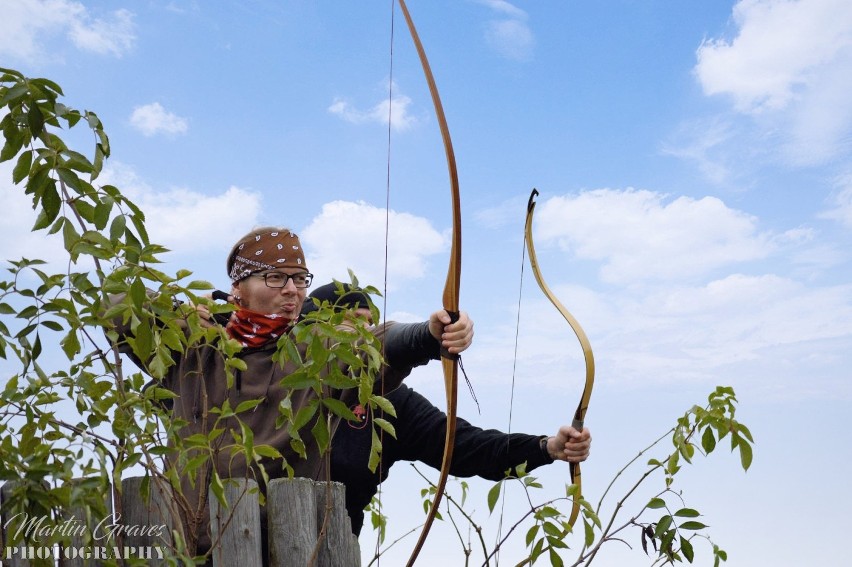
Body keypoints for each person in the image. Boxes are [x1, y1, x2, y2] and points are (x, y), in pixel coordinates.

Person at [114, 227, 474, 554]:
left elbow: (378, 343)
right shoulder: (192, 346)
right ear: (238, 288)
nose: (292, 289)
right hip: (183, 547)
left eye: (300, 279)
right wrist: (184, 307)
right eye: (275, 277)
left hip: (287, 548)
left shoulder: (316, 350)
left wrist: (430, 334)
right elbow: (116, 301)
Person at [302, 282, 593, 536]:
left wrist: (547, 448)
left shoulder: (387, 399)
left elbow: (465, 446)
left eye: (370, 323)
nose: (364, 332)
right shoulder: (279, 384)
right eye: (350, 321)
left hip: (337, 547)